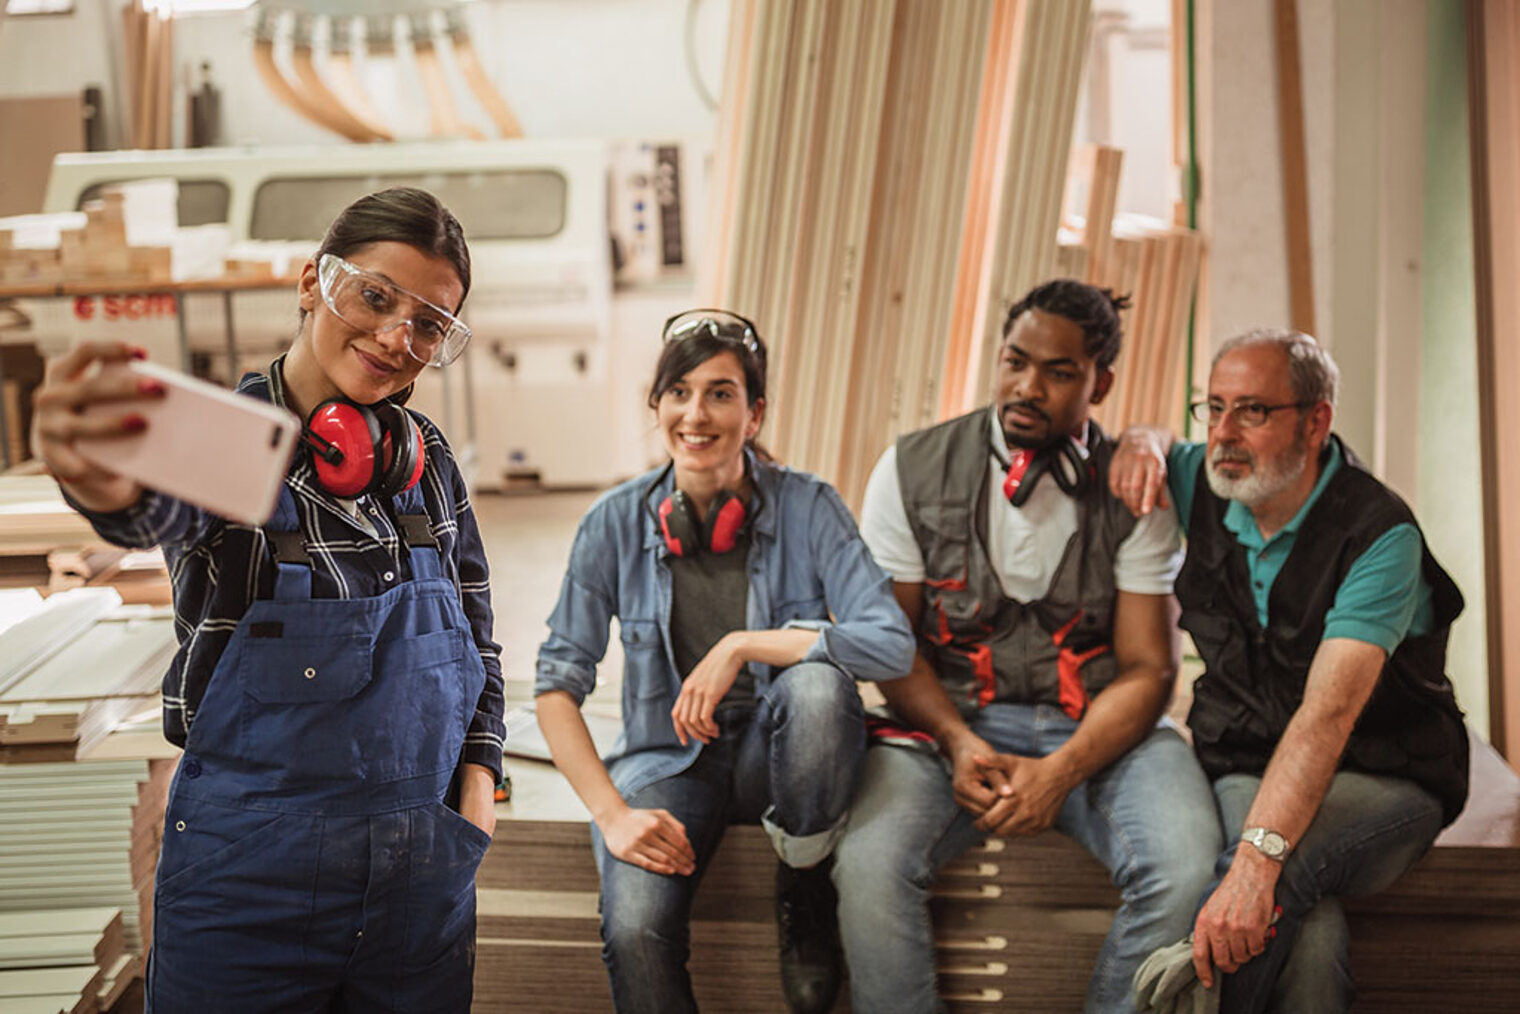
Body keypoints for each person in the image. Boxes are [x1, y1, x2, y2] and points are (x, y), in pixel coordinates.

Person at [31, 187, 504, 1012]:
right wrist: (90, 466)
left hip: (417, 891)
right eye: (376, 297)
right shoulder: (231, 440)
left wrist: (481, 779)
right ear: (312, 283)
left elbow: (479, 640)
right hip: (251, 891)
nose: (398, 337)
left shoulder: (426, 461)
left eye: (430, 323)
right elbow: (142, 504)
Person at [832, 278, 1222, 1013]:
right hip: (947, 721)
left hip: (1098, 729)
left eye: (1059, 371)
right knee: (868, 861)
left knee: (1187, 860)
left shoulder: (1133, 488)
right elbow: (892, 645)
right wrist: (954, 741)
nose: (1027, 386)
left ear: (1100, 381)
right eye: (1015, 361)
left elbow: (1148, 667)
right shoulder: (912, 470)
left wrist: (1062, 771)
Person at [534, 308, 914, 1014]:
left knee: (816, 691)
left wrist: (742, 644)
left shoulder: (810, 507)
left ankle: (803, 877)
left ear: (755, 412)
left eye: (721, 393)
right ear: (657, 406)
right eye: (678, 392)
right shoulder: (613, 523)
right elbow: (555, 686)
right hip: (665, 760)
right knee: (635, 928)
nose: (696, 414)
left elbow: (890, 640)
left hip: (782, 758)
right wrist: (613, 813)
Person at [1110, 327, 1468, 1014]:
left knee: (1273, 872)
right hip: (1248, 758)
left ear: (1316, 421)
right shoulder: (1208, 478)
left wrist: (1254, 863)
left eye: (1252, 410)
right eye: (1212, 408)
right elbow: (1157, 439)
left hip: (1387, 772)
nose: (1223, 434)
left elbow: (1326, 718)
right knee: (1304, 923)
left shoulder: (1378, 534)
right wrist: (1142, 441)